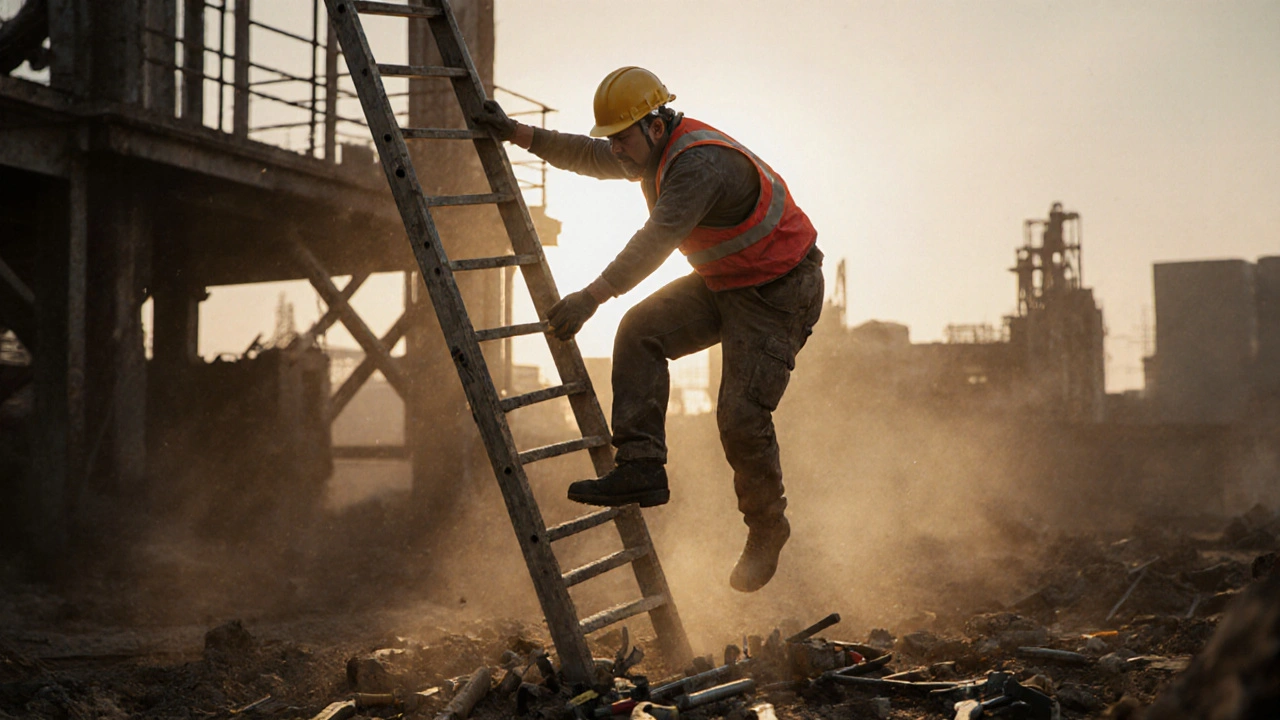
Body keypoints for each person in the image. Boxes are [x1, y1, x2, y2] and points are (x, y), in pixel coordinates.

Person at [474, 67, 823, 592]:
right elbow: (589, 157)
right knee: (640, 331)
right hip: (728, 281)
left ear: (655, 127)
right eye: (611, 138)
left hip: (779, 292)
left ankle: (766, 528)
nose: (614, 149)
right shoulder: (645, 150)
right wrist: (518, 133)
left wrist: (591, 296)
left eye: (621, 138)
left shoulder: (697, 165)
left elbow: (656, 239)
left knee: (740, 415)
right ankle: (641, 466)